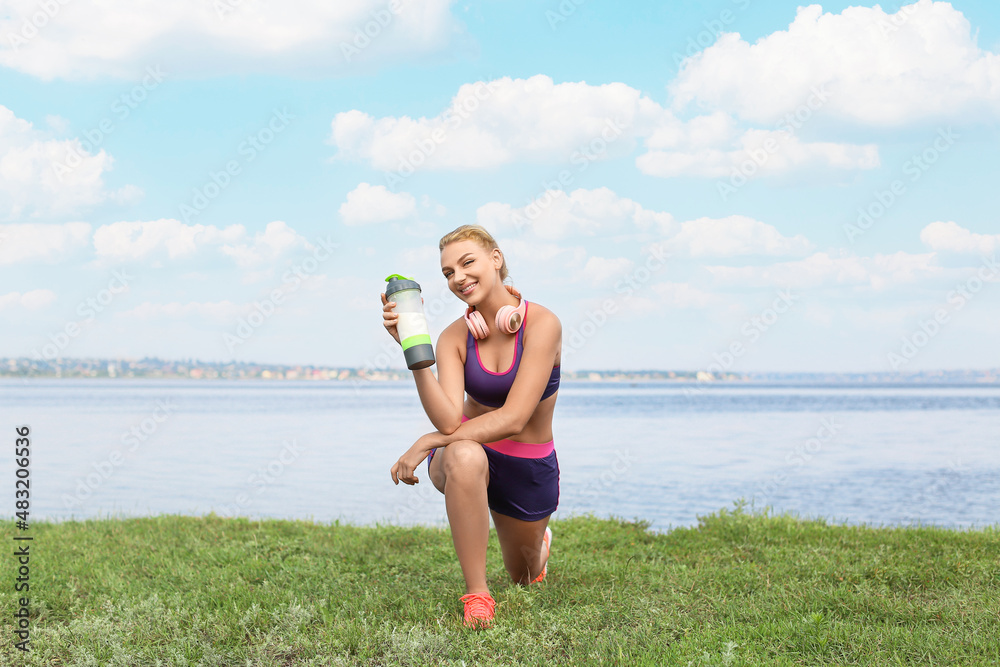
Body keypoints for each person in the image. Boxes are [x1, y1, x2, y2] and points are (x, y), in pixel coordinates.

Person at [380, 224, 562, 629]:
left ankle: (538, 548)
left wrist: (429, 441)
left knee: (525, 576)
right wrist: (412, 348)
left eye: (467, 263)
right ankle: (478, 595)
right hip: (468, 454)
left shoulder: (543, 324)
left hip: (527, 467)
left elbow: (514, 418)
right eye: (448, 273)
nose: (458, 278)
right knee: (461, 453)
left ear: (495, 259)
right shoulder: (453, 337)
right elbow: (448, 419)